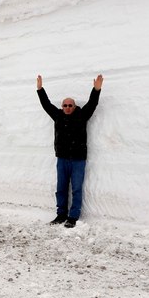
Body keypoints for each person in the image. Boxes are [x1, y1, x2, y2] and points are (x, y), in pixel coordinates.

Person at [36, 74, 103, 228]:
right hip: (62, 159)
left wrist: (96, 89)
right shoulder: (57, 116)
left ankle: (73, 217)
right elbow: (46, 104)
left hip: (78, 159)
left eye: (70, 105)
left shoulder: (82, 115)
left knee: (77, 188)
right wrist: (40, 89)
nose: (67, 108)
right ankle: (61, 215)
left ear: (74, 106)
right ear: (62, 107)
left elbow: (92, 103)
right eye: (65, 105)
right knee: (61, 188)